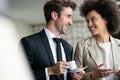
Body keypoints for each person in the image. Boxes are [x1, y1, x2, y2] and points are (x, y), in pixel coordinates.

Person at [21, 0, 84, 80]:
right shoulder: (29, 43)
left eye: (71, 18)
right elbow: (18, 75)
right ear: (54, 15)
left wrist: (74, 77)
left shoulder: (68, 48)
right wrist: (49, 71)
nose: (71, 22)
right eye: (68, 16)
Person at [74, 0, 120, 80]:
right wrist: (92, 75)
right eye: (88, 21)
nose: (89, 24)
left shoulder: (118, 44)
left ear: (106, 19)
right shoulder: (82, 46)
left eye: (93, 19)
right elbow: (75, 77)